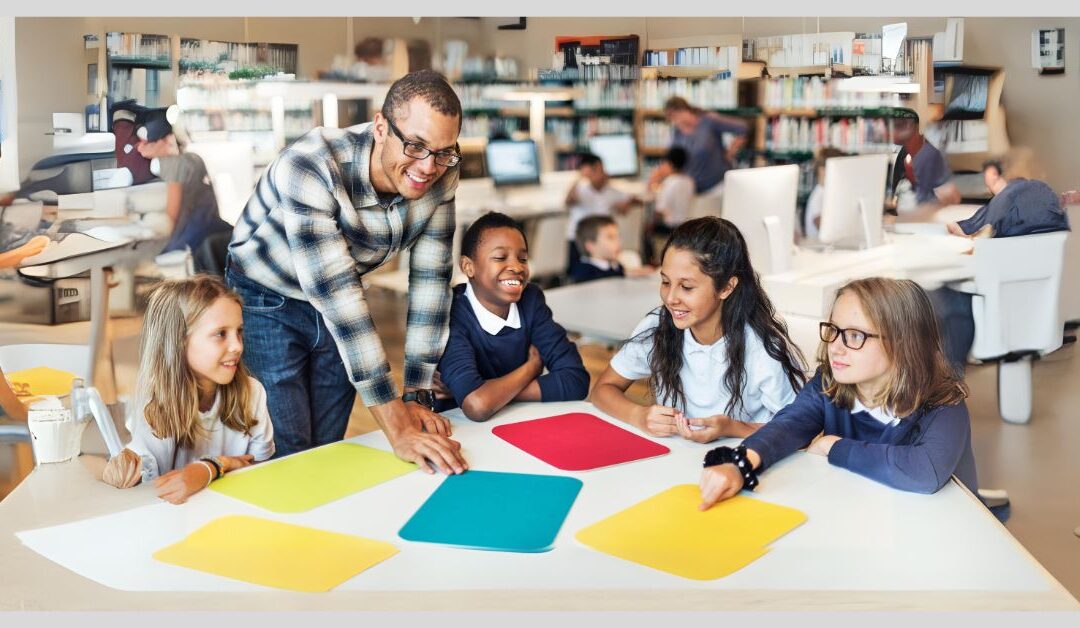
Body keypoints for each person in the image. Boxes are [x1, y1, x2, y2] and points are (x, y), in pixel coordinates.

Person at [226, 70, 467, 474]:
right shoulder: (311, 164)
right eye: (415, 145)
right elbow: (341, 303)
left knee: (327, 446)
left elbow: (431, 286)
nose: (429, 167)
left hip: (339, 291)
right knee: (289, 452)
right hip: (264, 296)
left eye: (444, 151)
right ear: (380, 127)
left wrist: (417, 397)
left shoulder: (443, 172)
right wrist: (398, 429)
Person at [697, 278, 979, 511]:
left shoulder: (944, 403)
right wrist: (739, 464)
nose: (835, 347)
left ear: (903, 345)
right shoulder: (828, 383)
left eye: (855, 336)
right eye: (834, 330)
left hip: (934, 534)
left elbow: (923, 471)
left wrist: (833, 446)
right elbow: (787, 426)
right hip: (862, 518)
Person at [592, 217, 807, 443]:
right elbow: (603, 389)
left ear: (726, 287)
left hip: (741, 466)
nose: (671, 298)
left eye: (686, 287)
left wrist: (732, 428)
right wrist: (638, 415)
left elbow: (801, 431)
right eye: (665, 282)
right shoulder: (657, 325)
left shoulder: (763, 347)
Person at [101, 275, 275, 504]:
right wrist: (122, 470)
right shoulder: (154, 404)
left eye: (239, 332)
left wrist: (209, 469)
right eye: (220, 334)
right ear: (179, 342)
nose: (237, 346)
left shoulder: (252, 393)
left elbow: (260, 471)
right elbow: (148, 478)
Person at [433, 212, 589, 421]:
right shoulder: (450, 312)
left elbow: (576, 380)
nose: (517, 267)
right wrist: (530, 369)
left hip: (517, 421)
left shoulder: (531, 300)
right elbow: (477, 405)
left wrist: (494, 393)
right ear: (468, 267)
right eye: (500, 257)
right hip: (458, 429)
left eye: (523, 259)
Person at [931, 154, 1070, 371]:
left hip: (1002, 279)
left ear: (994, 174)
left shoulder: (1004, 198)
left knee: (943, 283)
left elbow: (972, 234)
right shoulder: (1047, 193)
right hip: (1043, 278)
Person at [134, 106, 233, 265]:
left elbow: (174, 214)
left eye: (147, 142)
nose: (139, 147)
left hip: (195, 233)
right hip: (216, 229)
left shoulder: (172, 164)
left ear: (165, 141)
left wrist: (165, 248)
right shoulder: (192, 158)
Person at [945, 157, 1070, 238]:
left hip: (1022, 242)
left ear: (993, 173)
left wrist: (956, 225)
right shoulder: (1042, 186)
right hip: (1059, 237)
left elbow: (964, 228)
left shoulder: (1005, 196)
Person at [655, 97, 748, 197]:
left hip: (717, 187)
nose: (673, 121)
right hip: (693, 189)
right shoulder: (677, 132)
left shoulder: (709, 121)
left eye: (673, 116)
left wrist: (730, 153)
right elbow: (671, 159)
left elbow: (742, 128)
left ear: (683, 110)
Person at [564, 152, 640, 269]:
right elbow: (568, 201)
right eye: (595, 170)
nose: (602, 173)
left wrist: (626, 205)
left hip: (602, 242)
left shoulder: (611, 191)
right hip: (578, 240)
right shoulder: (580, 189)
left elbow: (634, 200)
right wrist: (580, 177)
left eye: (601, 169)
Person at [888, 108, 961, 218]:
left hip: (926, 217)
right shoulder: (904, 154)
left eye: (896, 126)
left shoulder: (930, 155)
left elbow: (951, 196)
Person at [569, 215, 654, 284]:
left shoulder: (615, 265)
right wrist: (626, 274)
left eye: (618, 237)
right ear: (591, 246)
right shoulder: (583, 269)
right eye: (611, 237)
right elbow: (603, 279)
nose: (618, 241)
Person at [645, 146, 695, 263]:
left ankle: (652, 264)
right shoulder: (689, 181)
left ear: (670, 164)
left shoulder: (669, 183)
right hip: (685, 228)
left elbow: (659, 211)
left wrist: (650, 226)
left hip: (668, 231)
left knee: (646, 232)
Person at [802, 147, 847, 240]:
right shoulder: (818, 196)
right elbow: (825, 228)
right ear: (822, 170)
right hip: (819, 248)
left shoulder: (832, 194)